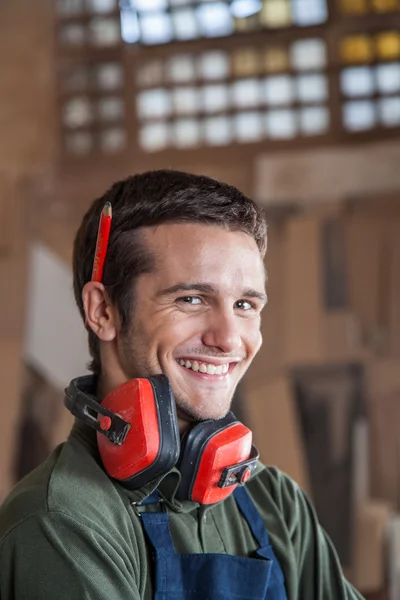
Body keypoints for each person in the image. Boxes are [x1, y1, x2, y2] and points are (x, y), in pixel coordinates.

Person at [0, 170, 364, 600]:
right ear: (103, 311)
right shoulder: (60, 521)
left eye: (245, 304)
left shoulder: (273, 499)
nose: (229, 338)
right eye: (191, 299)